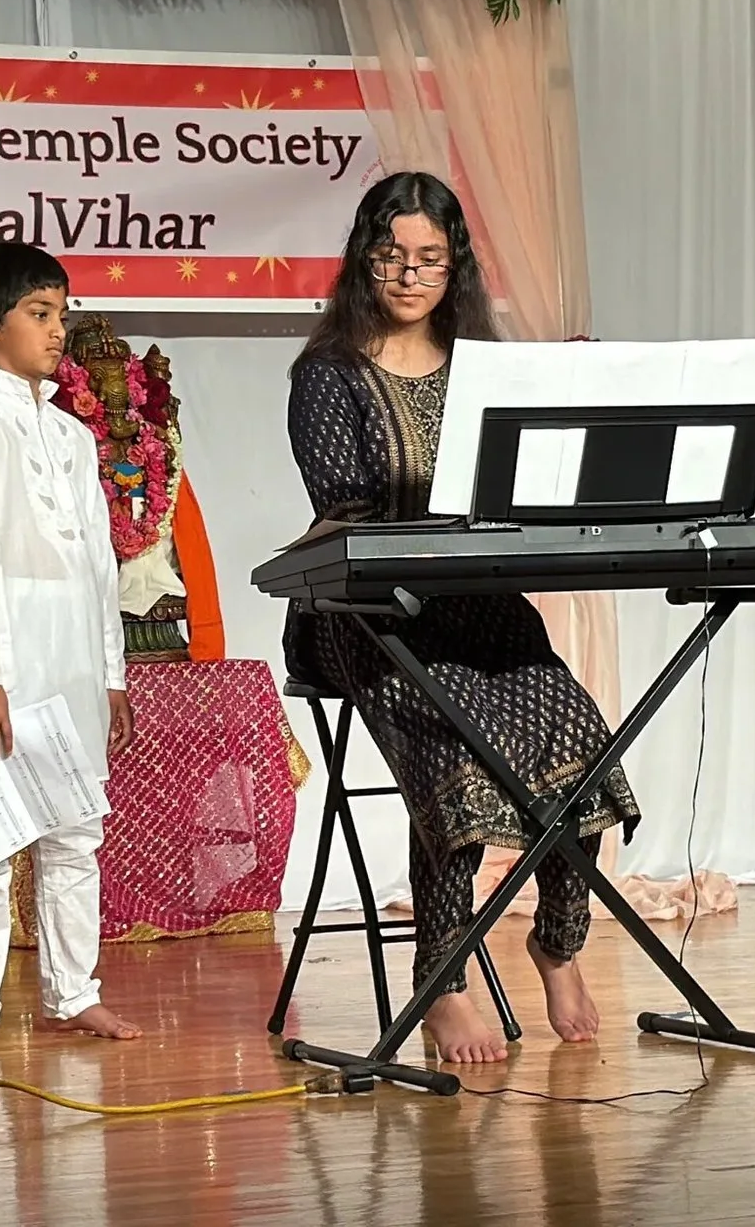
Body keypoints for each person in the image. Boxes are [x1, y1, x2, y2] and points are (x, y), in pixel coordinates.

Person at [282, 172, 640, 1064]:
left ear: (455, 268)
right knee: (462, 757)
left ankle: (556, 945)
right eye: (391, 256)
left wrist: (564, 396)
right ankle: (440, 984)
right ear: (365, 260)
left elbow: (531, 487)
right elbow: (345, 505)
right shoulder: (329, 373)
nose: (409, 275)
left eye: (430, 259)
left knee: (580, 750)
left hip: (480, 605)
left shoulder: (486, 367)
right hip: (371, 614)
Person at [0, 240, 142, 1055]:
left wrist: (112, 675)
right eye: (40, 314)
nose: (59, 331)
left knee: (75, 832)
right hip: (5, 657)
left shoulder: (73, 435)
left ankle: (71, 990)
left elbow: (97, 565)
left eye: (63, 313)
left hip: (76, 658)